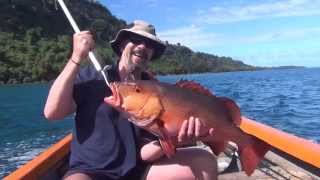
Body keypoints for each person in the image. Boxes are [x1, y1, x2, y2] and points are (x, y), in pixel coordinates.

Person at [44, 20, 217, 180]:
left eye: (150, 45)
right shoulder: (92, 77)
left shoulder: (156, 91)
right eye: (135, 39)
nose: (143, 46)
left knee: (205, 161)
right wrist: (76, 58)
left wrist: (175, 138)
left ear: (152, 54)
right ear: (121, 45)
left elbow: (144, 153)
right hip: (89, 171)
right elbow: (52, 112)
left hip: (136, 170)